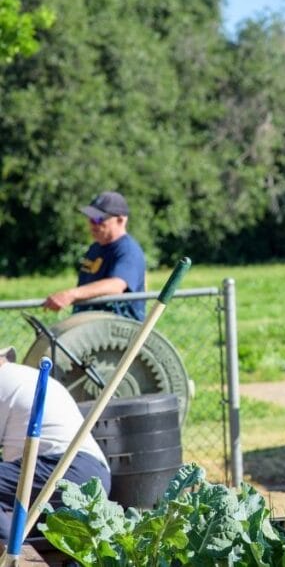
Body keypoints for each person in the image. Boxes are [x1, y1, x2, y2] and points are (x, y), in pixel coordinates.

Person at [0, 346, 111, 544]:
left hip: (62, 469)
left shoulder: (3, 381)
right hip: (95, 476)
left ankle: (14, 555)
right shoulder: (26, 376)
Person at [43, 191, 146, 321]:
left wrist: (71, 294)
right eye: (90, 218)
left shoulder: (128, 250)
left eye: (99, 219)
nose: (93, 224)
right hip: (90, 324)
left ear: (120, 220)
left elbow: (116, 285)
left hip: (117, 327)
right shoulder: (94, 248)